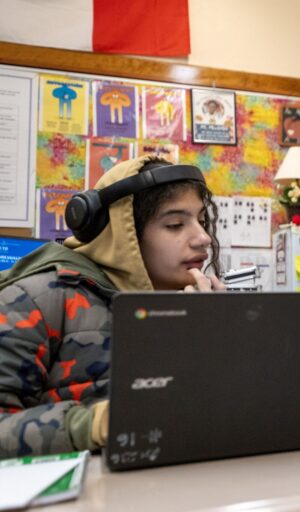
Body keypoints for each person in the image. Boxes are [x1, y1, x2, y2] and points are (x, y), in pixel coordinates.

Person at [0, 155, 224, 458]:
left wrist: (217, 332)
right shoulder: (33, 300)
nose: (203, 238)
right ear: (124, 234)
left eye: (202, 221)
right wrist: (93, 425)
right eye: (174, 224)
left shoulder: (190, 300)